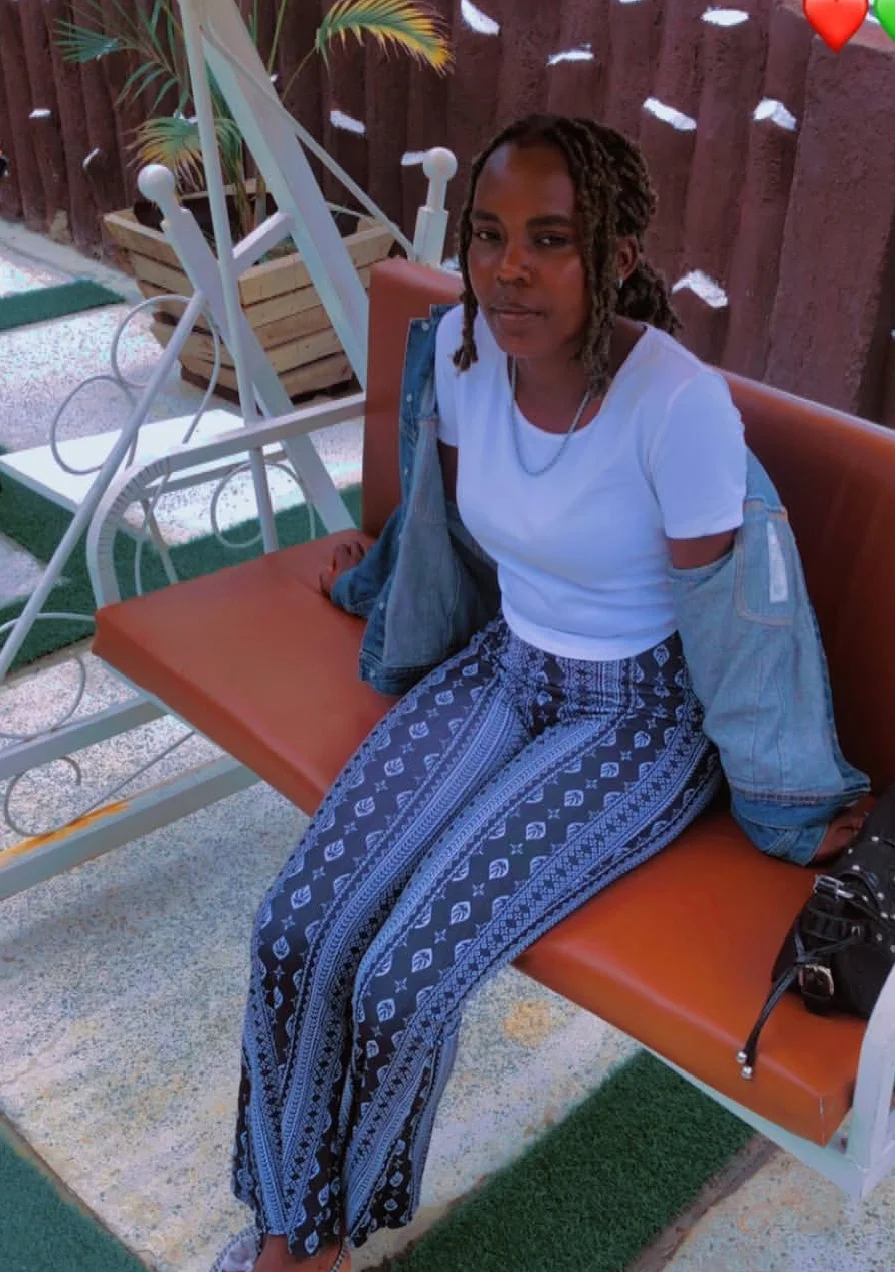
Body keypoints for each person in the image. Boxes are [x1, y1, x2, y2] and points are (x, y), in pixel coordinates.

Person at [216, 115, 870, 1272]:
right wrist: (378, 579)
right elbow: (450, 533)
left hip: (638, 718)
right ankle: (283, 1229)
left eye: (550, 239)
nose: (509, 267)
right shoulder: (462, 354)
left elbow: (737, 624)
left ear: (614, 255)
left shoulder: (676, 408)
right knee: (295, 927)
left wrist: (788, 801)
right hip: (505, 669)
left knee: (403, 978)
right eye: (488, 234)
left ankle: (316, 1249)